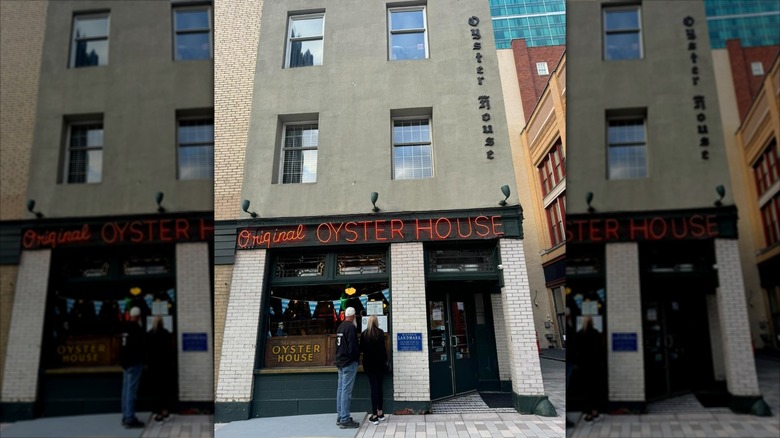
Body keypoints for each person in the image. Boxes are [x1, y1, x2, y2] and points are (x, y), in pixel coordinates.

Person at [574, 315, 605, 423]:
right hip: (594, 365)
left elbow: (576, 350)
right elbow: (600, 349)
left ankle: (587, 413)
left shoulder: (579, 334)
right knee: (595, 389)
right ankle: (595, 411)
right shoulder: (596, 333)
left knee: (586, 390)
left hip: (584, 366)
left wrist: (577, 363)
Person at [119, 307, 146, 428]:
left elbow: (122, 346)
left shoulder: (125, 328)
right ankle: (130, 418)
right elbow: (141, 346)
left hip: (126, 363)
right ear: (138, 316)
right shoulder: (137, 329)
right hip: (134, 363)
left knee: (125, 390)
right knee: (131, 391)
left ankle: (125, 415)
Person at [360, 315, 388, 425]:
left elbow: (361, 349)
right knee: (379, 388)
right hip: (380, 364)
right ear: (377, 322)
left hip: (369, 365)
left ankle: (374, 416)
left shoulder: (364, 334)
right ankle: (380, 413)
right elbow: (383, 349)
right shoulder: (381, 333)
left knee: (373, 388)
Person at [146, 315, 175, 422]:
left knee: (156, 390)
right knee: (165, 389)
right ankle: (165, 410)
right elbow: (170, 350)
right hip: (165, 366)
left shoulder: (150, 334)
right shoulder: (166, 334)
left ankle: (158, 412)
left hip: (154, 367)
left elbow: (147, 351)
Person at [335, 307, 360, 429]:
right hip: (348, 363)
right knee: (346, 391)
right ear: (354, 316)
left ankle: (340, 416)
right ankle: (345, 419)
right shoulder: (351, 327)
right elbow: (353, 347)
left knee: (340, 390)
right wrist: (356, 359)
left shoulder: (340, 327)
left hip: (340, 362)